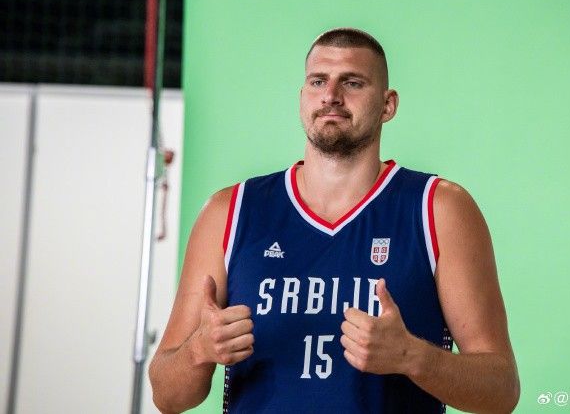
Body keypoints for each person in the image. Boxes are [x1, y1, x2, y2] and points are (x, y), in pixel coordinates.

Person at [149, 28, 520, 413]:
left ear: (387, 105)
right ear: (302, 98)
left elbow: (501, 389)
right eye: (318, 81)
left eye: (353, 83)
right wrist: (199, 350)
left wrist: (413, 356)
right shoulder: (231, 210)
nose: (331, 96)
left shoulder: (439, 208)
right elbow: (167, 396)